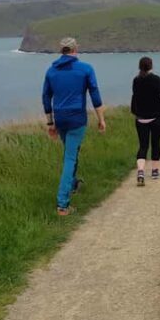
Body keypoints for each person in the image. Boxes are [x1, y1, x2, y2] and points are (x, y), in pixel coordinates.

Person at [42, 37, 106, 216]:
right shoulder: (86, 69)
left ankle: (72, 185)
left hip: (61, 119)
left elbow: (46, 97)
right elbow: (95, 95)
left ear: (61, 50)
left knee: (70, 152)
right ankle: (62, 204)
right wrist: (101, 119)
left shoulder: (51, 71)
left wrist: (50, 123)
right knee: (70, 158)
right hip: (77, 119)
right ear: (75, 49)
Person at [130, 56, 160, 186]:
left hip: (141, 118)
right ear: (151, 66)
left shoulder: (136, 80)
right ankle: (154, 171)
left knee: (143, 145)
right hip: (156, 117)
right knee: (155, 143)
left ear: (139, 66)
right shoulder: (155, 79)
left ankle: (141, 172)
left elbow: (135, 96)